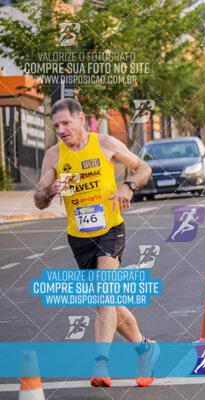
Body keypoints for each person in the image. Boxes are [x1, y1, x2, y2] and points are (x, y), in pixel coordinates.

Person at [33, 98, 158, 387]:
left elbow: (143, 169)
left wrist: (128, 186)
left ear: (81, 119)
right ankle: (144, 348)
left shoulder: (104, 143)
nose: (61, 130)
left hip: (110, 227)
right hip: (79, 236)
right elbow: (39, 200)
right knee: (108, 301)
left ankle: (101, 362)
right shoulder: (54, 155)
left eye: (65, 123)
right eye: (56, 126)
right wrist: (51, 189)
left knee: (104, 293)